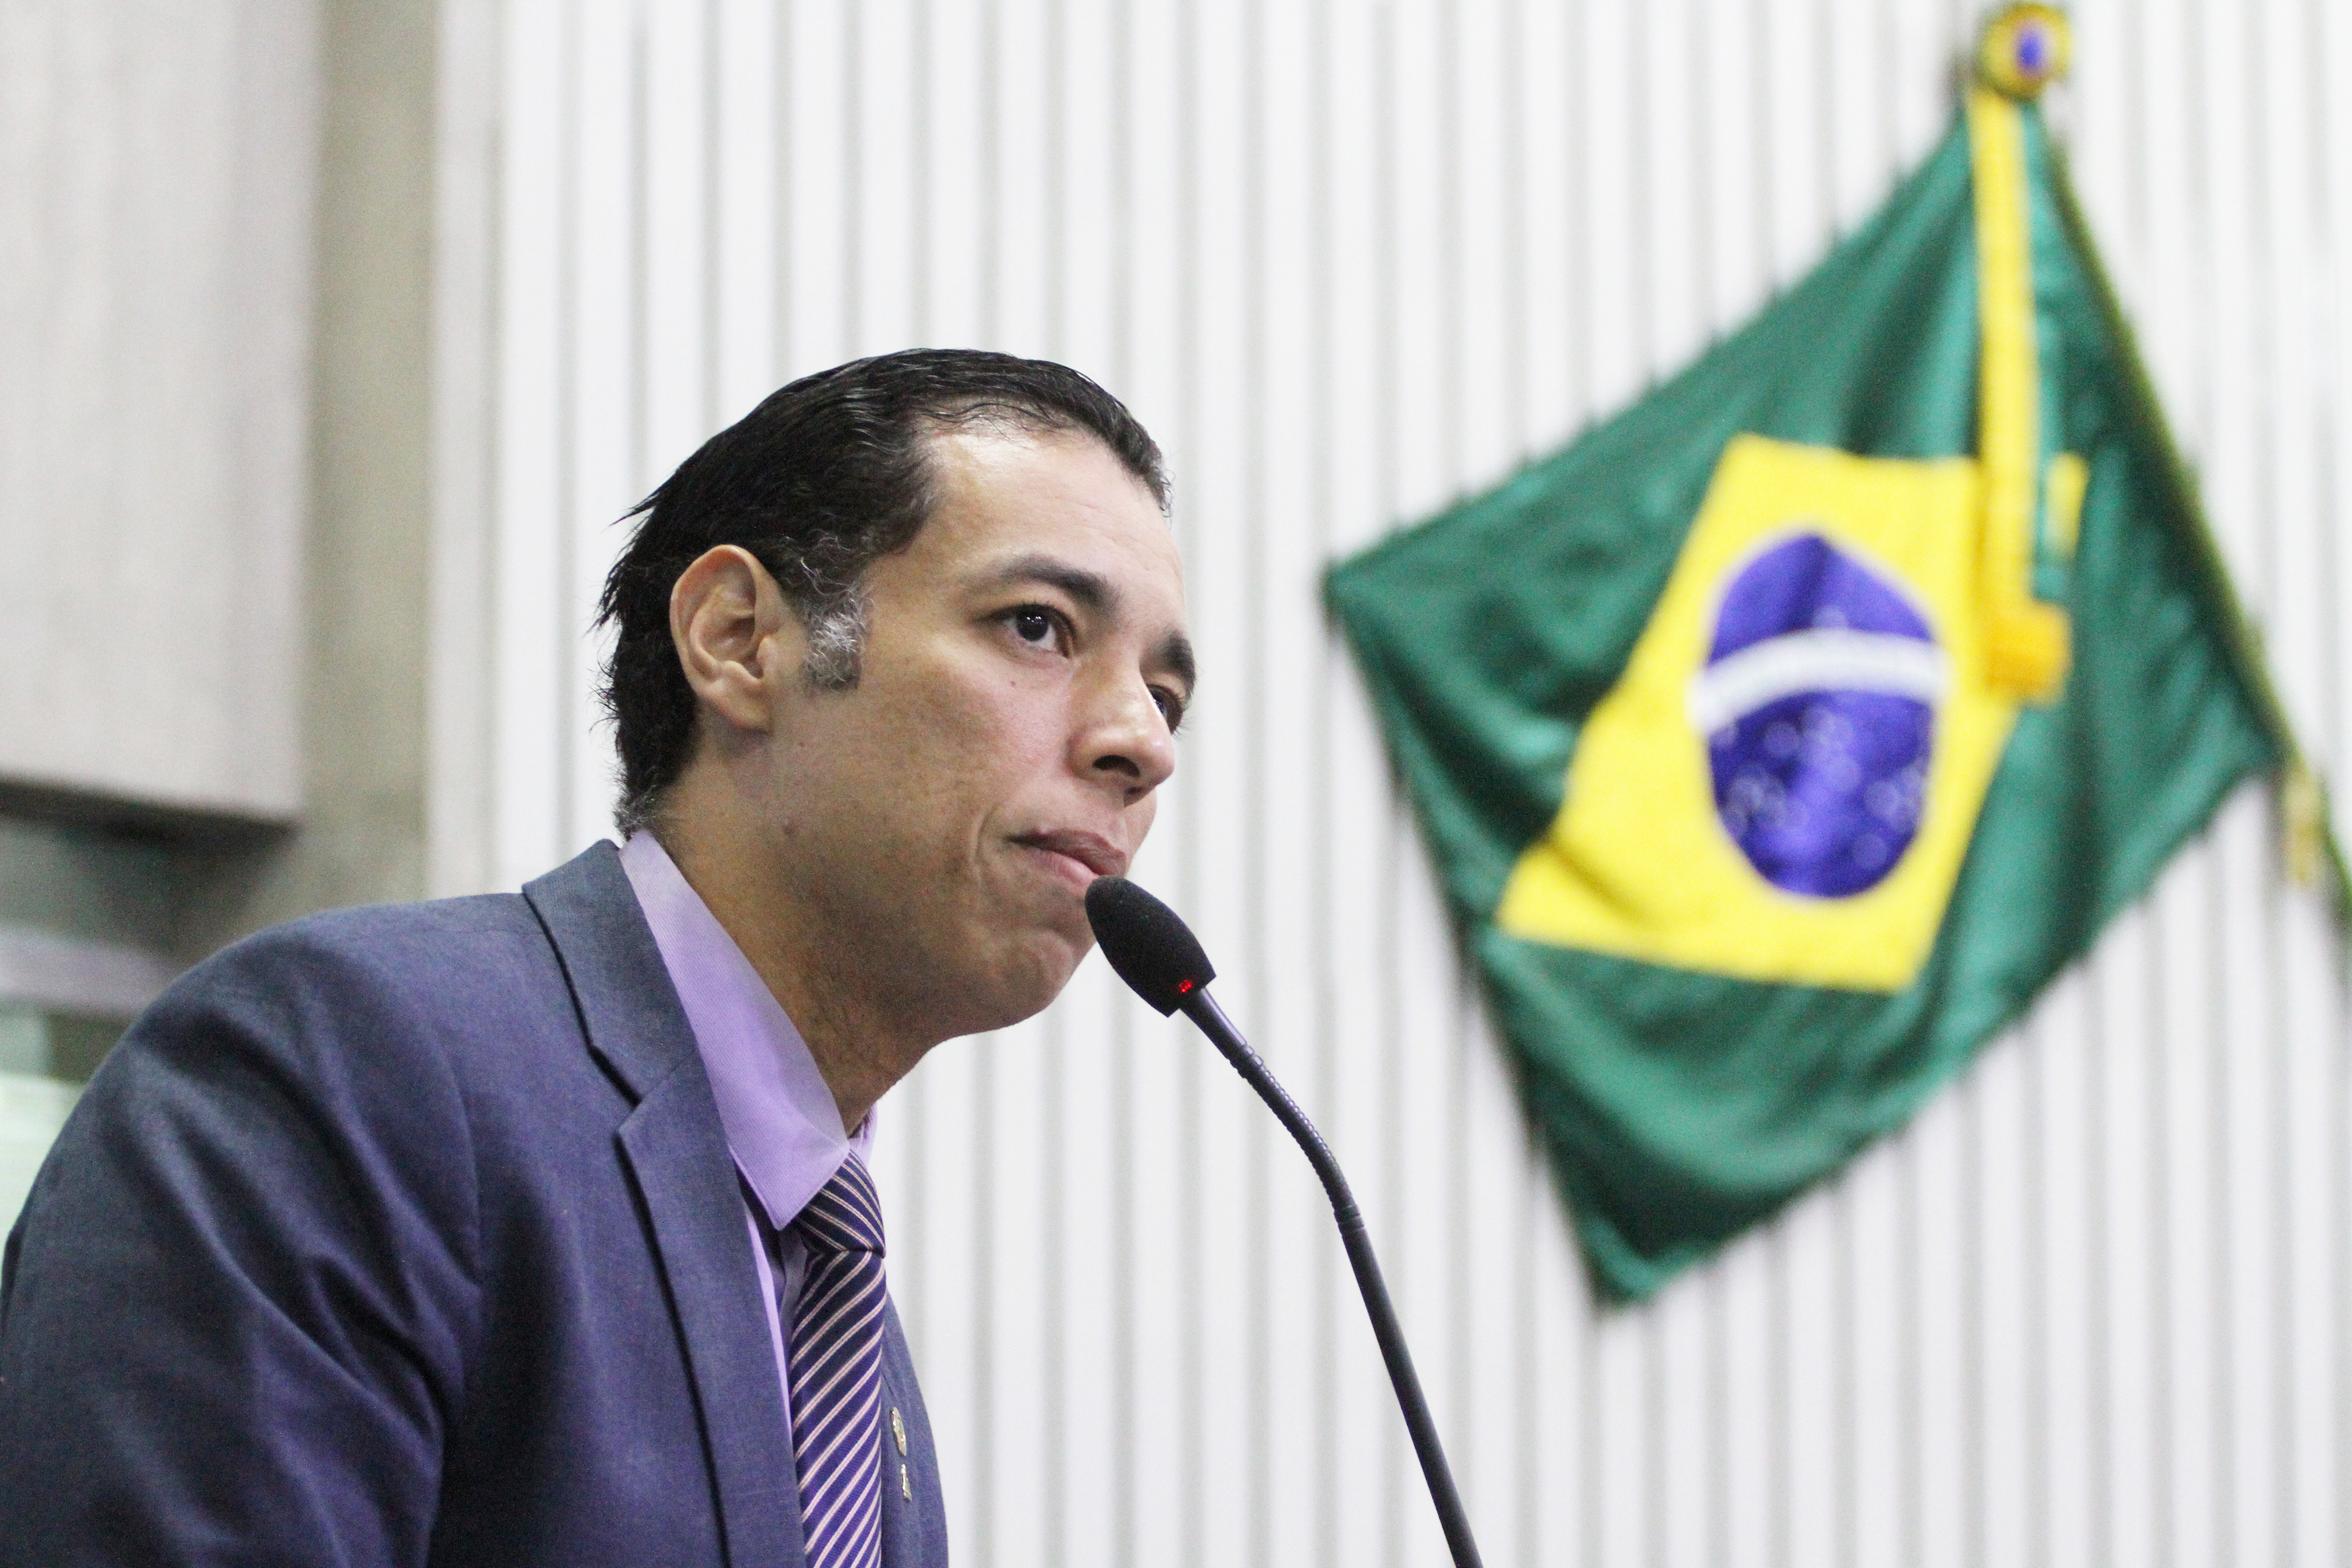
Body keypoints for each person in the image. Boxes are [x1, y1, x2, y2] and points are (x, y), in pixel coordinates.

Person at [0, 349, 1194, 1568]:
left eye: (1167, 697)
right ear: (739, 640)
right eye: (1038, 628)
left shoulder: (850, 1351)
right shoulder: (340, 1076)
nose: (1141, 744)